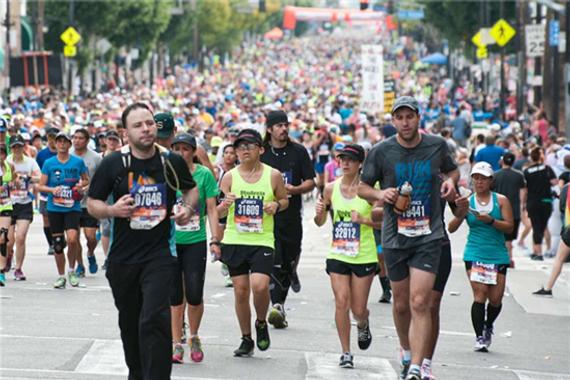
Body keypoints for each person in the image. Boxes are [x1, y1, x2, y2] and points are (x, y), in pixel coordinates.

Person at [87, 103, 198, 380]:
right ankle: (136, 372)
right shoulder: (114, 163)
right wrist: (112, 211)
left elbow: (191, 189)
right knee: (130, 323)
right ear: (126, 133)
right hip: (123, 259)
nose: (146, 129)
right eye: (138, 125)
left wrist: (186, 208)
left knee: (154, 319)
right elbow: (92, 203)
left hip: (159, 255)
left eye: (149, 123)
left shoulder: (169, 160)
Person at [357, 96, 458, 380]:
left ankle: (416, 365)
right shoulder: (381, 151)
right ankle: (404, 348)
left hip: (428, 235)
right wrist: (380, 194)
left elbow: (452, 169)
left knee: (420, 301)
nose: (405, 122)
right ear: (393, 121)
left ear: (418, 118)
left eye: (409, 117)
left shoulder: (436, 145)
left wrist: (450, 181)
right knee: (401, 304)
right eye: (399, 118)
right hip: (395, 236)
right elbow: (362, 187)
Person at [217, 128, 289, 357]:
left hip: (262, 239)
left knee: (259, 286)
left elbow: (284, 199)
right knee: (240, 291)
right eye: (240, 146)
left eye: (249, 146)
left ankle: (260, 322)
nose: (244, 150)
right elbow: (217, 211)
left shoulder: (273, 175)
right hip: (235, 238)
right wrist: (225, 205)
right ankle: (246, 338)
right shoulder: (229, 177)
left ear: (261, 149)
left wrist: (276, 206)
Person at [314, 144, 378, 368]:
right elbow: (320, 222)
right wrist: (319, 214)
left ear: (360, 163)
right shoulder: (330, 188)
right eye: (342, 159)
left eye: (351, 159)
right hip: (338, 252)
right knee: (341, 301)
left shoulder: (370, 189)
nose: (345, 163)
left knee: (358, 309)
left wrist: (364, 221)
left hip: (364, 254)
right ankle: (346, 352)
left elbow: (383, 221)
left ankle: (363, 323)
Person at [448, 162, 513, 352]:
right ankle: (479, 337)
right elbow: (451, 228)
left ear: (491, 181)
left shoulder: (501, 201)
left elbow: (509, 227)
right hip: (474, 252)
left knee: (495, 299)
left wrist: (491, 220)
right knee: (480, 294)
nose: (479, 181)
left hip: (497, 254)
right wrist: (460, 212)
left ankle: (488, 325)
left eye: (483, 178)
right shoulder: (468, 201)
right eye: (476, 177)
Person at [260, 110, 315, 329]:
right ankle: (278, 305)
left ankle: (292, 271)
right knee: (275, 259)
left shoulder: (298, 152)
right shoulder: (262, 153)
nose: (284, 129)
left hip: (292, 215)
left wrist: (295, 188)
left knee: (289, 258)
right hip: (267, 216)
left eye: (286, 125)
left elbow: (311, 182)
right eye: (279, 125)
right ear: (270, 129)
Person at [170, 133, 221, 364]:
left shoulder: (204, 175)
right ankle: (176, 343)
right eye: (177, 149)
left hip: (195, 241)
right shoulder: (167, 174)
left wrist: (215, 240)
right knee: (174, 295)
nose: (181, 153)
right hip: (170, 242)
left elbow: (211, 209)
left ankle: (194, 336)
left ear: (193, 152)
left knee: (193, 293)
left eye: (186, 149)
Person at [37, 132, 89, 289]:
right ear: (55, 144)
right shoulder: (49, 163)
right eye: (59, 142)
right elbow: (40, 186)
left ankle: (72, 270)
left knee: (73, 239)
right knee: (58, 244)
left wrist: (81, 186)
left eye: (65, 142)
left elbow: (87, 179)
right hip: (54, 208)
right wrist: (52, 190)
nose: (61, 144)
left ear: (69, 144)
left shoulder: (78, 162)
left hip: (73, 207)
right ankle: (61, 276)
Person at [6, 135, 41, 281]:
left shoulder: (30, 162)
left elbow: (40, 177)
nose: (17, 149)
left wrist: (29, 179)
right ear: (11, 148)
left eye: (19, 146)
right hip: (8, 203)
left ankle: (19, 268)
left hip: (25, 203)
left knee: (20, 237)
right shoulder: (6, 162)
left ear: (23, 147)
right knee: (8, 240)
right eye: (14, 147)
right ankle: (8, 256)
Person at [71, 128, 102, 276]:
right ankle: (80, 265)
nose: (77, 141)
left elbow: (102, 178)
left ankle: (90, 253)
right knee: (73, 238)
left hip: (89, 201)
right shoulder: (67, 155)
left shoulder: (95, 158)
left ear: (87, 140)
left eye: (80, 138)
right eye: (75, 138)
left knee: (90, 237)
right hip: (71, 203)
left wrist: (88, 187)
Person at [534, 182, 570, 296]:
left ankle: (548, 288)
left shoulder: (566, 188)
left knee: (559, 259)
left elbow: (562, 207)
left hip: (568, 230)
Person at [523, 147, 557, 261]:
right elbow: (554, 182)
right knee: (542, 227)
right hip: (546, 201)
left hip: (533, 202)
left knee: (536, 226)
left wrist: (523, 204)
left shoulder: (527, 171)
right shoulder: (547, 169)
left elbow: (525, 189)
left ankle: (537, 252)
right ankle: (538, 251)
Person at [493, 152, 526, 267]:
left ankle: (501, 258)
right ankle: (508, 258)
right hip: (514, 210)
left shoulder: (495, 175)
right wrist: (522, 207)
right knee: (509, 238)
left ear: (502, 161)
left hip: (498, 209)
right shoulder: (519, 175)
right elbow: (522, 193)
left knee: (499, 236)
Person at [214, 144, 237, 287]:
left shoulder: (239, 171)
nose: (228, 155)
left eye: (232, 153)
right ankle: (224, 261)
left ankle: (230, 272)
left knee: (230, 241)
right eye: (226, 152)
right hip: (220, 207)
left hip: (233, 210)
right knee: (222, 240)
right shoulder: (217, 170)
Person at [36, 127, 59, 256]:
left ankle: (59, 239)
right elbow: (38, 172)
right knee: (46, 219)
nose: (52, 140)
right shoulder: (41, 154)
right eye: (50, 138)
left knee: (58, 217)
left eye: (54, 138)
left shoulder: (63, 152)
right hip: (45, 192)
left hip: (60, 192)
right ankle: (51, 243)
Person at [0, 146, 15, 286]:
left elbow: (13, 180)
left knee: (3, 237)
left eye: (2, 153)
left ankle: (1, 271)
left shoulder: (9, 166)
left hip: (6, 205)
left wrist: (11, 184)